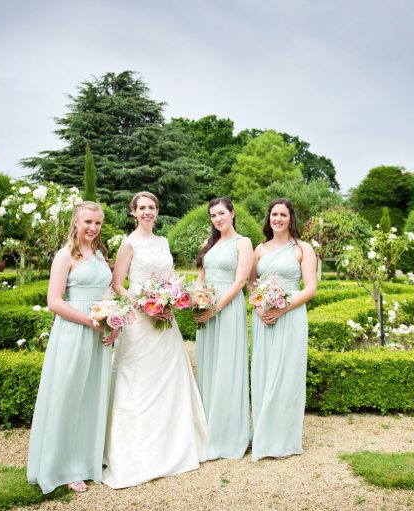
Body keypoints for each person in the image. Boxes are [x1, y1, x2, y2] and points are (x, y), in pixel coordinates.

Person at [102, 191, 208, 489]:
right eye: (142, 208)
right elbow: (118, 284)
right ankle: (135, 452)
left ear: (157, 211)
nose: (147, 212)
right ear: (133, 212)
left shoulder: (163, 242)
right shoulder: (129, 243)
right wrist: (144, 305)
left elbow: (170, 277)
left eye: (152, 207)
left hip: (165, 319)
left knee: (169, 376)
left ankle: (173, 445)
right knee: (139, 379)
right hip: (139, 321)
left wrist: (172, 298)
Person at [27, 201, 116, 494]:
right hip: (74, 332)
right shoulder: (64, 255)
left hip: (100, 334)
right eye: (88, 222)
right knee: (68, 395)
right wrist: (90, 321)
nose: (93, 228)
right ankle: (63, 466)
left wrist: (114, 321)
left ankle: (87, 461)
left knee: (92, 396)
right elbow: (54, 301)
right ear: (76, 222)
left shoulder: (101, 255)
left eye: (98, 223)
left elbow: (108, 292)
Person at [248, 198, 317, 462]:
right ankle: (262, 433)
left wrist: (282, 308)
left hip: (291, 316)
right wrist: (258, 308)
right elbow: (251, 283)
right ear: (269, 218)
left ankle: (284, 439)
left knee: (287, 374)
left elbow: (310, 288)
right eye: (274, 214)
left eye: (283, 215)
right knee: (264, 372)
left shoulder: (302, 248)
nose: (278, 219)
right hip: (263, 317)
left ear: (291, 219)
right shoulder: (260, 249)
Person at [194, 197, 254, 459]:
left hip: (227, 308)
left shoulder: (243, 242)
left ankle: (228, 433)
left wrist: (215, 308)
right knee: (208, 363)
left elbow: (240, 281)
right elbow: (201, 277)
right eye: (213, 215)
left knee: (227, 365)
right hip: (206, 307)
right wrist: (197, 300)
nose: (217, 219)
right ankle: (207, 429)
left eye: (221, 213)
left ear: (232, 213)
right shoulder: (208, 243)